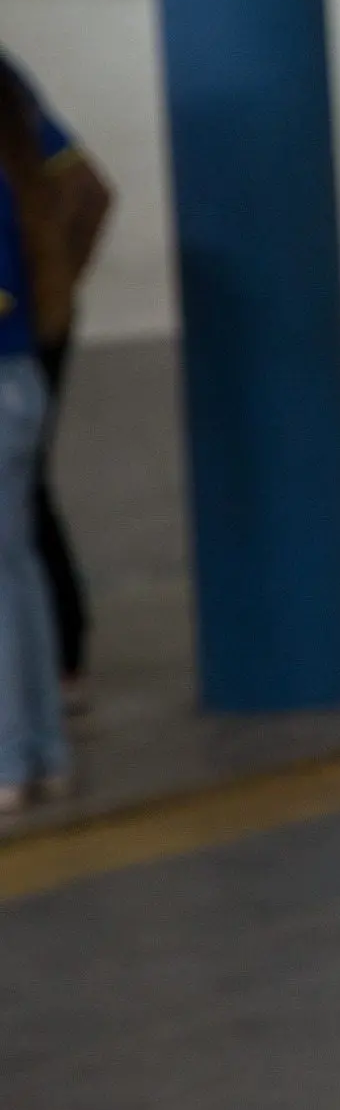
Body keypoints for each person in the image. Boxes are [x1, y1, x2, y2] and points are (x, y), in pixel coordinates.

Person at [0, 54, 111, 711]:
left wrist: (50, 296)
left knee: (22, 498)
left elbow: (90, 193)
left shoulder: (8, 93)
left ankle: (58, 666)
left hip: (21, 334)